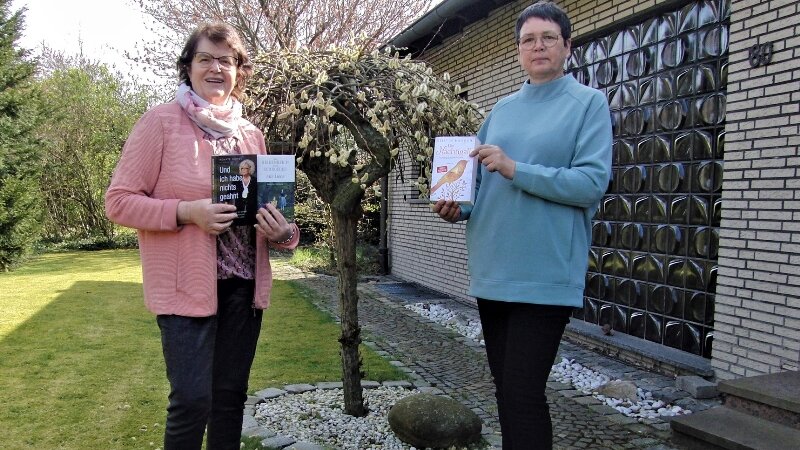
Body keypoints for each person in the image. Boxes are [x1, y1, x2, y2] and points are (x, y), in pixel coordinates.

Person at [105, 22, 299, 450]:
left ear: (238, 71)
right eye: (205, 59)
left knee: (229, 400)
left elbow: (274, 214)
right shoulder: (159, 123)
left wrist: (285, 232)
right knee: (192, 400)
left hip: (243, 288)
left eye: (226, 61)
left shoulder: (251, 134)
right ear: (188, 68)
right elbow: (118, 201)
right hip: (185, 287)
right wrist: (186, 212)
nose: (216, 68)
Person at [433, 2, 612, 449]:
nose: (538, 46)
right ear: (518, 51)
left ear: (567, 46)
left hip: (544, 272)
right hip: (494, 268)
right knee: (508, 393)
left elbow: (590, 184)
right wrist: (461, 207)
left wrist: (516, 168)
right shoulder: (502, 110)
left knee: (523, 392)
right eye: (528, 39)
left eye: (548, 37)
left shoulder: (588, 105)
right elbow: (481, 185)